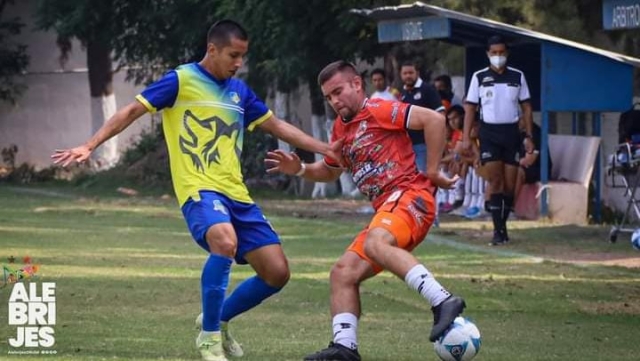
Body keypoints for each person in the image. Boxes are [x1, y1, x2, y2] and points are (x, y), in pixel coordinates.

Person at [52, 20, 340, 361]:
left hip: (237, 193)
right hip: (199, 189)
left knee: (277, 273)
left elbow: (276, 125)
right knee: (224, 240)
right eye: (233, 55)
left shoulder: (239, 92)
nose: (238, 63)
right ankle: (209, 339)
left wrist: (325, 148)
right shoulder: (181, 80)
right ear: (213, 49)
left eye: (243, 57)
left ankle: (216, 318)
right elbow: (131, 110)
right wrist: (90, 144)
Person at [265, 60, 465, 361]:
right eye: (329, 97)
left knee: (375, 241)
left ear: (357, 84)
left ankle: (442, 300)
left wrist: (434, 170)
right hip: (388, 211)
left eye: (338, 91)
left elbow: (434, 121)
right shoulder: (340, 129)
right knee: (342, 273)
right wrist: (301, 168)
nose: (334, 101)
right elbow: (330, 171)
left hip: (410, 197)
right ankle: (345, 348)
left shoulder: (380, 108)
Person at [462, 35, 535, 246]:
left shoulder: (518, 77)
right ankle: (498, 231)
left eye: (501, 52)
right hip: (489, 134)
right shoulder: (479, 77)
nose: (498, 57)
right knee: (496, 181)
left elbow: (527, 108)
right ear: (487, 54)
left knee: (510, 185)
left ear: (507, 53)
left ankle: (502, 225)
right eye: (494, 53)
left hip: (511, 134)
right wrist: (466, 137)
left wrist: (528, 136)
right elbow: (470, 109)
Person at [399, 61, 444, 173]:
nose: (408, 76)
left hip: (425, 143)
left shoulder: (427, 89)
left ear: (417, 73)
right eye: (405, 73)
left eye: (411, 72)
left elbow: (441, 114)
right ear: (401, 74)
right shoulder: (403, 92)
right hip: (409, 144)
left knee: (423, 176)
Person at [515, 121, 552, 202]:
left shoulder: (535, 132)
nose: (516, 121)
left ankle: (511, 206)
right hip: (527, 168)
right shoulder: (518, 132)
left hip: (540, 169)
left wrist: (514, 162)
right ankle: (489, 205)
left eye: (519, 118)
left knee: (518, 171)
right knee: (500, 168)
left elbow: (529, 161)